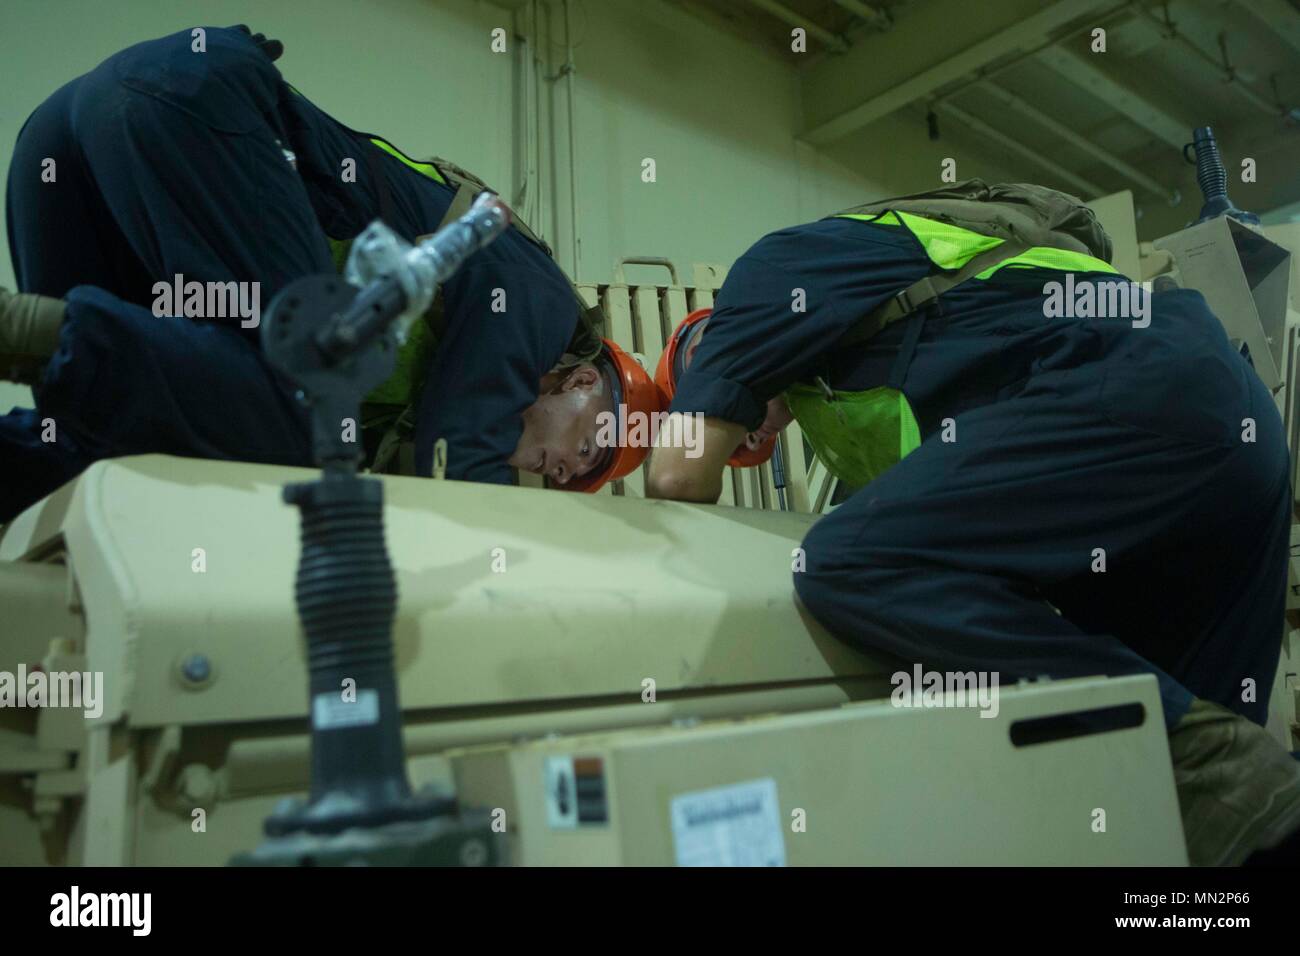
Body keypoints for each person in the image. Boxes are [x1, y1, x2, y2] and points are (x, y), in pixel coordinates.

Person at [646, 184, 1300, 865]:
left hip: (1142, 397)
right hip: (1221, 431)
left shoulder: (767, 276)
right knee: (1216, 828)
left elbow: (677, 476)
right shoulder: (878, 361)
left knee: (847, 563)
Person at [0, 25, 658, 520]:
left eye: (581, 475)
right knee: (302, 421)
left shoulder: (412, 395)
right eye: (593, 443)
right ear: (580, 378)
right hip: (186, 106)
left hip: (66, 143)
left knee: (99, 456)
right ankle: (22, 330)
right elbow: (461, 462)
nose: (568, 468)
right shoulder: (538, 299)